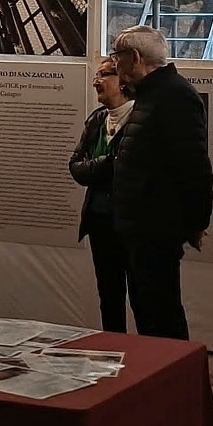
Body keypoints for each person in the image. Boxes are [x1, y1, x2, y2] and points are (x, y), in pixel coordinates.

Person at [109, 26, 213, 339]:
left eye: (117, 57)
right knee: (147, 310)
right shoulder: (151, 95)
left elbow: (194, 167)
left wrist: (196, 223)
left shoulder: (174, 96)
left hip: (156, 226)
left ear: (135, 57)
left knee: (161, 314)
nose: (114, 64)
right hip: (141, 226)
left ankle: (173, 368)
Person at [68, 56, 135, 333]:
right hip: (99, 221)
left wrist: (100, 167)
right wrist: (108, 163)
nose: (96, 81)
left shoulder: (139, 119)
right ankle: (114, 344)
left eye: (105, 75)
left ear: (124, 81)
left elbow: (131, 170)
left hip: (131, 223)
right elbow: (75, 166)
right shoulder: (97, 120)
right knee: (108, 293)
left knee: (142, 295)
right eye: (97, 75)